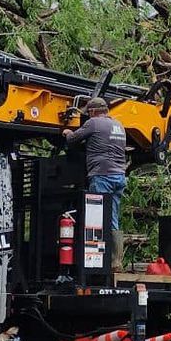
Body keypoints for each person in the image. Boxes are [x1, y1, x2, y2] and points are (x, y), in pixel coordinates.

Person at [63, 95, 129, 267]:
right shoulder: (119, 125)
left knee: (96, 217)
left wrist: (67, 132)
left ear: (93, 111)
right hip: (119, 176)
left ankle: (94, 261)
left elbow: (72, 140)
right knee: (112, 217)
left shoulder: (94, 123)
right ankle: (115, 261)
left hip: (102, 175)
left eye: (89, 112)